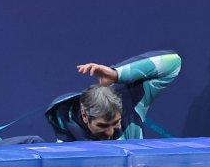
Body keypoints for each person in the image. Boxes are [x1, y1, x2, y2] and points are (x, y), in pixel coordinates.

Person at [44, 51, 181, 142]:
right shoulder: (66, 142)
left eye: (116, 123)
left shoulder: (132, 102)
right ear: (85, 116)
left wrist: (116, 74)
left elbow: (173, 62)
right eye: (102, 125)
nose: (109, 132)